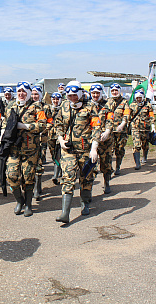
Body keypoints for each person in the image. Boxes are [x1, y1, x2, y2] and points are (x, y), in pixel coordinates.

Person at [55, 80, 101, 224]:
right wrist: (60, 139)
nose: (72, 98)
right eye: (69, 96)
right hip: (68, 150)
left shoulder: (91, 107)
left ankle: (85, 203)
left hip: (85, 149)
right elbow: (58, 124)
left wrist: (94, 148)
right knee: (68, 177)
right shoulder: (63, 106)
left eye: (75, 95)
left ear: (80, 93)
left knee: (86, 177)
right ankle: (65, 213)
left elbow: (96, 128)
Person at [1, 81, 47, 216]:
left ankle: (28, 205)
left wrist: (25, 126)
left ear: (28, 93)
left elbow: (42, 125)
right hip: (13, 149)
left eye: (24, 91)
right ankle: (19, 200)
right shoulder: (11, 106)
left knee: (28, 178)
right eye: (19, 91)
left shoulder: (37, 107)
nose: (21, 94)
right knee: (11, 176)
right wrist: (1, 134)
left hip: (30, 149)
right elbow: (4, 122)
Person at [90, 83, 114, 194]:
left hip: (105, 139)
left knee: (106, 162)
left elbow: (110, 119)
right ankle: (88, 189)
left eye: (97, 93)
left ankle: (106, 182)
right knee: (90, 164)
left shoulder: (107, 105)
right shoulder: (86, 105)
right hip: (91, 139)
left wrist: (108, 131)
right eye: (93, 93)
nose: (95, 95)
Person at [31, 85, 52, 200]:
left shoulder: (46, 107)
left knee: (39, 162)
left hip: (41, 140)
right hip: (27, 141)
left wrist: (42, 130)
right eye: (33, 94)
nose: (34, 96)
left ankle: (37, 188)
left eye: (36, 94)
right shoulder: (28, 106)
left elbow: (50, 121)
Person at [107, 83, 130, 175]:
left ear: (119, 91)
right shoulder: (107, 101)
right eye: (112, 91)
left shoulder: (124, 102)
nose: (114, 92)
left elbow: (127, 114)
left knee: (119, 149)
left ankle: (118, 167)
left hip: (121, 131)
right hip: (110, 131)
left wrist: (122, 124)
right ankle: (110, 168)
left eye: (116, 90)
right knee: (109, 150)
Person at [129, 89, 155, 169]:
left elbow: (151, 116)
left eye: (140, 97)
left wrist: (153, 125)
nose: (138, 99)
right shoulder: (132, 105)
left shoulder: (148, 105)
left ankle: (144, 157)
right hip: (135, 128)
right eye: (137, 98)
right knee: (137, 144)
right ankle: (137, 164)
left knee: (145, 144)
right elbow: (129, 116)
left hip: (145, 128)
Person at [48, 92, 62, 185]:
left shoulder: (63, 109)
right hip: (50, 135)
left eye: (57, 99)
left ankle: (55, 175)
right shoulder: (48, 108)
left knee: (59, 154)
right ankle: (58, 168)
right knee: (53, 154)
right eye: (54, 99)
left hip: (60, 135)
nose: (55, 101)